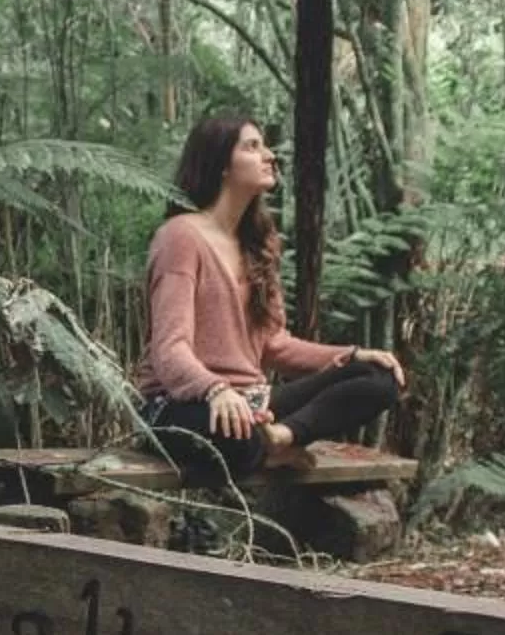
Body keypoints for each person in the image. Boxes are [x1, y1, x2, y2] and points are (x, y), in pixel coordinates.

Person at [137, 113, 403, 480]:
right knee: (237, 435)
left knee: (380, 377)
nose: (269, 155)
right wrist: (215, 389)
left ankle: (280, 438)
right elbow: (170, 349)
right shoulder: (180, 237)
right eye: (252, 147)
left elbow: (275, 345)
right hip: (180, 404)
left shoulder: (259, 243)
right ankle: (266, 448)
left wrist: (352, 355)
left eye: (264, 146)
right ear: (221, 165)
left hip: (253, 403)